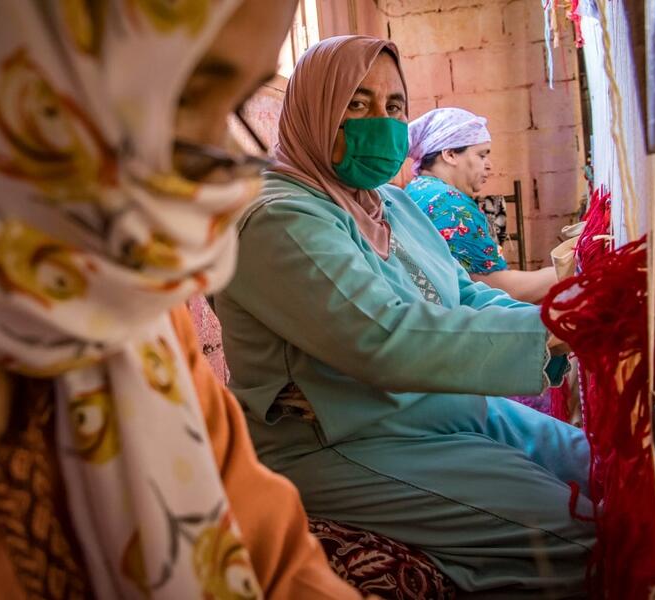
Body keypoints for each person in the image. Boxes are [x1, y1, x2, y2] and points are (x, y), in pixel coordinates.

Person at [0, 2, 361, 599]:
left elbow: (280, 563)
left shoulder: (135, 321)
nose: (227, 187)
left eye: (237, 102)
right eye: (184, 95)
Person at [215, 35, 594, 598]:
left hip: (433, 410)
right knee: (573, 533)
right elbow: (383, 338)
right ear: (314, 108)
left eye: (394, 107)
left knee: (596, 467)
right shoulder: (278, 218)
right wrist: (558, 328)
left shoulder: (393, 204)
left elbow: (464, 295)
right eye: (356, 103)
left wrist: (568, 308)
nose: (383, 123)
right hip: (342, 438)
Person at [405, 108, 558, 303]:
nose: (489, 165)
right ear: (450, 154)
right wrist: (570, 268)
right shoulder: (450, 204)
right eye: (481, 155)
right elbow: (498, 288)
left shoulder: (416, 189)